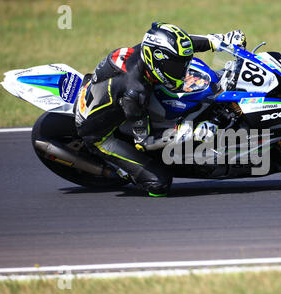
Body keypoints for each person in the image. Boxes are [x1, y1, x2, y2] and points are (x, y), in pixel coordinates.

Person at [74, 22, 246, 197]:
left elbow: (185, 46)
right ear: (157, 63)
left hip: (111, 96)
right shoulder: (135, 93)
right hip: (99, 134)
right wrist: (191, 133)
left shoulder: (148, 50)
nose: (182, 71)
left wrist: (220, 40)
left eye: (182, 64)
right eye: (175, 67)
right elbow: (144, 142)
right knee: (159, 184)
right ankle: (122, 169)